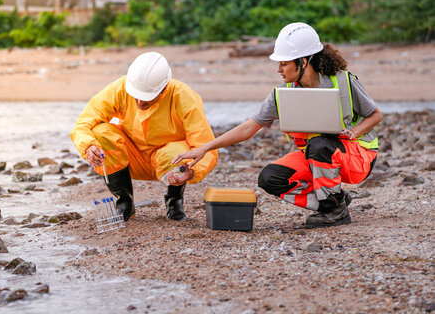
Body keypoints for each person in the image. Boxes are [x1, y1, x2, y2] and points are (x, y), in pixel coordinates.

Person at [174, 22, 382, 228]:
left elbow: (375, 115)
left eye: (284, 63)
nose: (279, 70)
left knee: (320, 144)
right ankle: (335, 201)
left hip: (357, 157)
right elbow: (248, 128)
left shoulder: (343, 81)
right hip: (317, 157)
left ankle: (335, 212)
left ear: (302, 61)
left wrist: (353, 133)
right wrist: (204, 148)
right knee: (270, 178)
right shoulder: (281, 95)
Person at [70, 51, 218, 222]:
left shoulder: (184, 96)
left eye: (147, 98)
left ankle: (174, 201)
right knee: (100, 132)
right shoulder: (120, 88)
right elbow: (83, 123)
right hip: (128, 158)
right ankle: (125, 203)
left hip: (168, 160)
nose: (140, 103)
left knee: (180, 151)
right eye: (137, 96)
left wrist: (191, 172)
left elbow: (206, 146)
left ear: (164, 89)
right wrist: (88, 146)